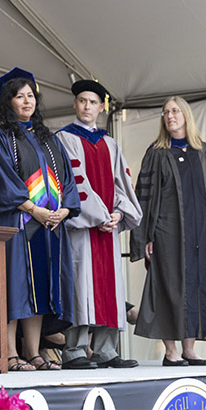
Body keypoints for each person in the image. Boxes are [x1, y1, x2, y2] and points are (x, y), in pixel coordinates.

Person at [0, 67, 80, 371]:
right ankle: (8, 353)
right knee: (14, 288)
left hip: (50, 225)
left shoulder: (47, 137)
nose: (27, 101)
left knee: (40, 289)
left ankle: (33, 352)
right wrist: (32, 209)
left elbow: (67, 180)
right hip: (16, 224)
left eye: (31, 95)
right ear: (8, 101)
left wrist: (65, 209)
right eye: (20, 96)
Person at [129, 96, 206, 367]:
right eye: (165, 112)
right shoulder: (157, 152)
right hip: (168, 232)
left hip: (200, 233)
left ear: (186, 114)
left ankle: (190, 350)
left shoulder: (201, 150)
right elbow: (145, 197)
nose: (170, 116)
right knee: (169, 288)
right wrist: (147, 236)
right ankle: (171, 352)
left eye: (175, 111)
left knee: (197, 287)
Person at [55, 80, 142, 369]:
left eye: (92, 102)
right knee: (81, 287)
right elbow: (73, 183)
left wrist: (118, 213)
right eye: (82, 101)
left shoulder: (110, 143)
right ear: (75, 104)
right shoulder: (64, 139)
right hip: (82, 228)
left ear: (102, 107)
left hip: (107, 229)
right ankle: (75, 351)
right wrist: (99, 215)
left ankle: (106, 350)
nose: (87, 106)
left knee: (109, 289)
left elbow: (122, 184)